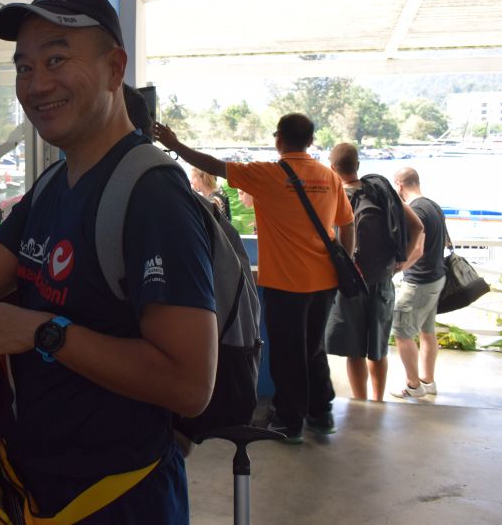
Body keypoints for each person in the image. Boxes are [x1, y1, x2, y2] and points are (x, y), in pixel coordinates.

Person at [0, 0, 218, 523]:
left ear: (114, 67)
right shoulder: (55, 182)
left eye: (56, 59)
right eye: (24, 67)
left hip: (118, 498)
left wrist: (44, 332)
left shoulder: (153, 196)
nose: (36, 84)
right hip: (37, 487)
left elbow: (189, 384)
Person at [154, 113, 354, 443]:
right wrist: (347, 257)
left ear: (279, 139)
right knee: (314, 347)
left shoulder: (267, 174)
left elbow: (213, 166)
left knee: (288, 352)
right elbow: (347, 223)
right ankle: (322, 413)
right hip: (325, 281)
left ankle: (289, 422)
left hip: (286, 283)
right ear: (310, 141)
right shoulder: (329, 177)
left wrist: (174, 144)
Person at [324, 143, 424, 401]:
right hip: (381, 280)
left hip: (350, 284)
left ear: (332, 168)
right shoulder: (381, 191)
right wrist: (400, 262)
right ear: (357, 165)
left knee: (354, 351)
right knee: (378, 350)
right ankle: (378, 401)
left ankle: (360, 401)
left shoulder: (334, 197)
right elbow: (417, 226)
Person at [391, 166, 446, 399]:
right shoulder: (433, 206)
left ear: (399, 185)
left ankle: (413, 386)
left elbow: (418, 249)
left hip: (419, 282)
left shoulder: (415, 210)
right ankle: (428, 381)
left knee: (401, 333)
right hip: (436, 277)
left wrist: (397, 268)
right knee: (427, 331)